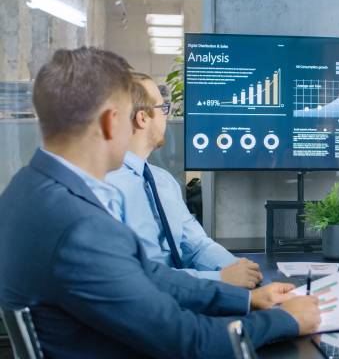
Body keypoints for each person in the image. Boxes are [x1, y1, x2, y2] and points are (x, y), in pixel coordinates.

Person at [0, 47, 320, 357]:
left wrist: (246, 300)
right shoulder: (82, 229)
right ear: (112, 123)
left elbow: (148, 275)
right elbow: (189, 342)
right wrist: (286, 320)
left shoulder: (26, 189)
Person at [107, 73, 263, 288]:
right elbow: (136, 277)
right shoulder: (107, 187)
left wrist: (240, 269)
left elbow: (196, 244)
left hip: (189, 293)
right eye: (163, 109)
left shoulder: (163, 181)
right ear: (142, 118)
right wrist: (220, 278)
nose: (167, 117)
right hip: (153, 304)